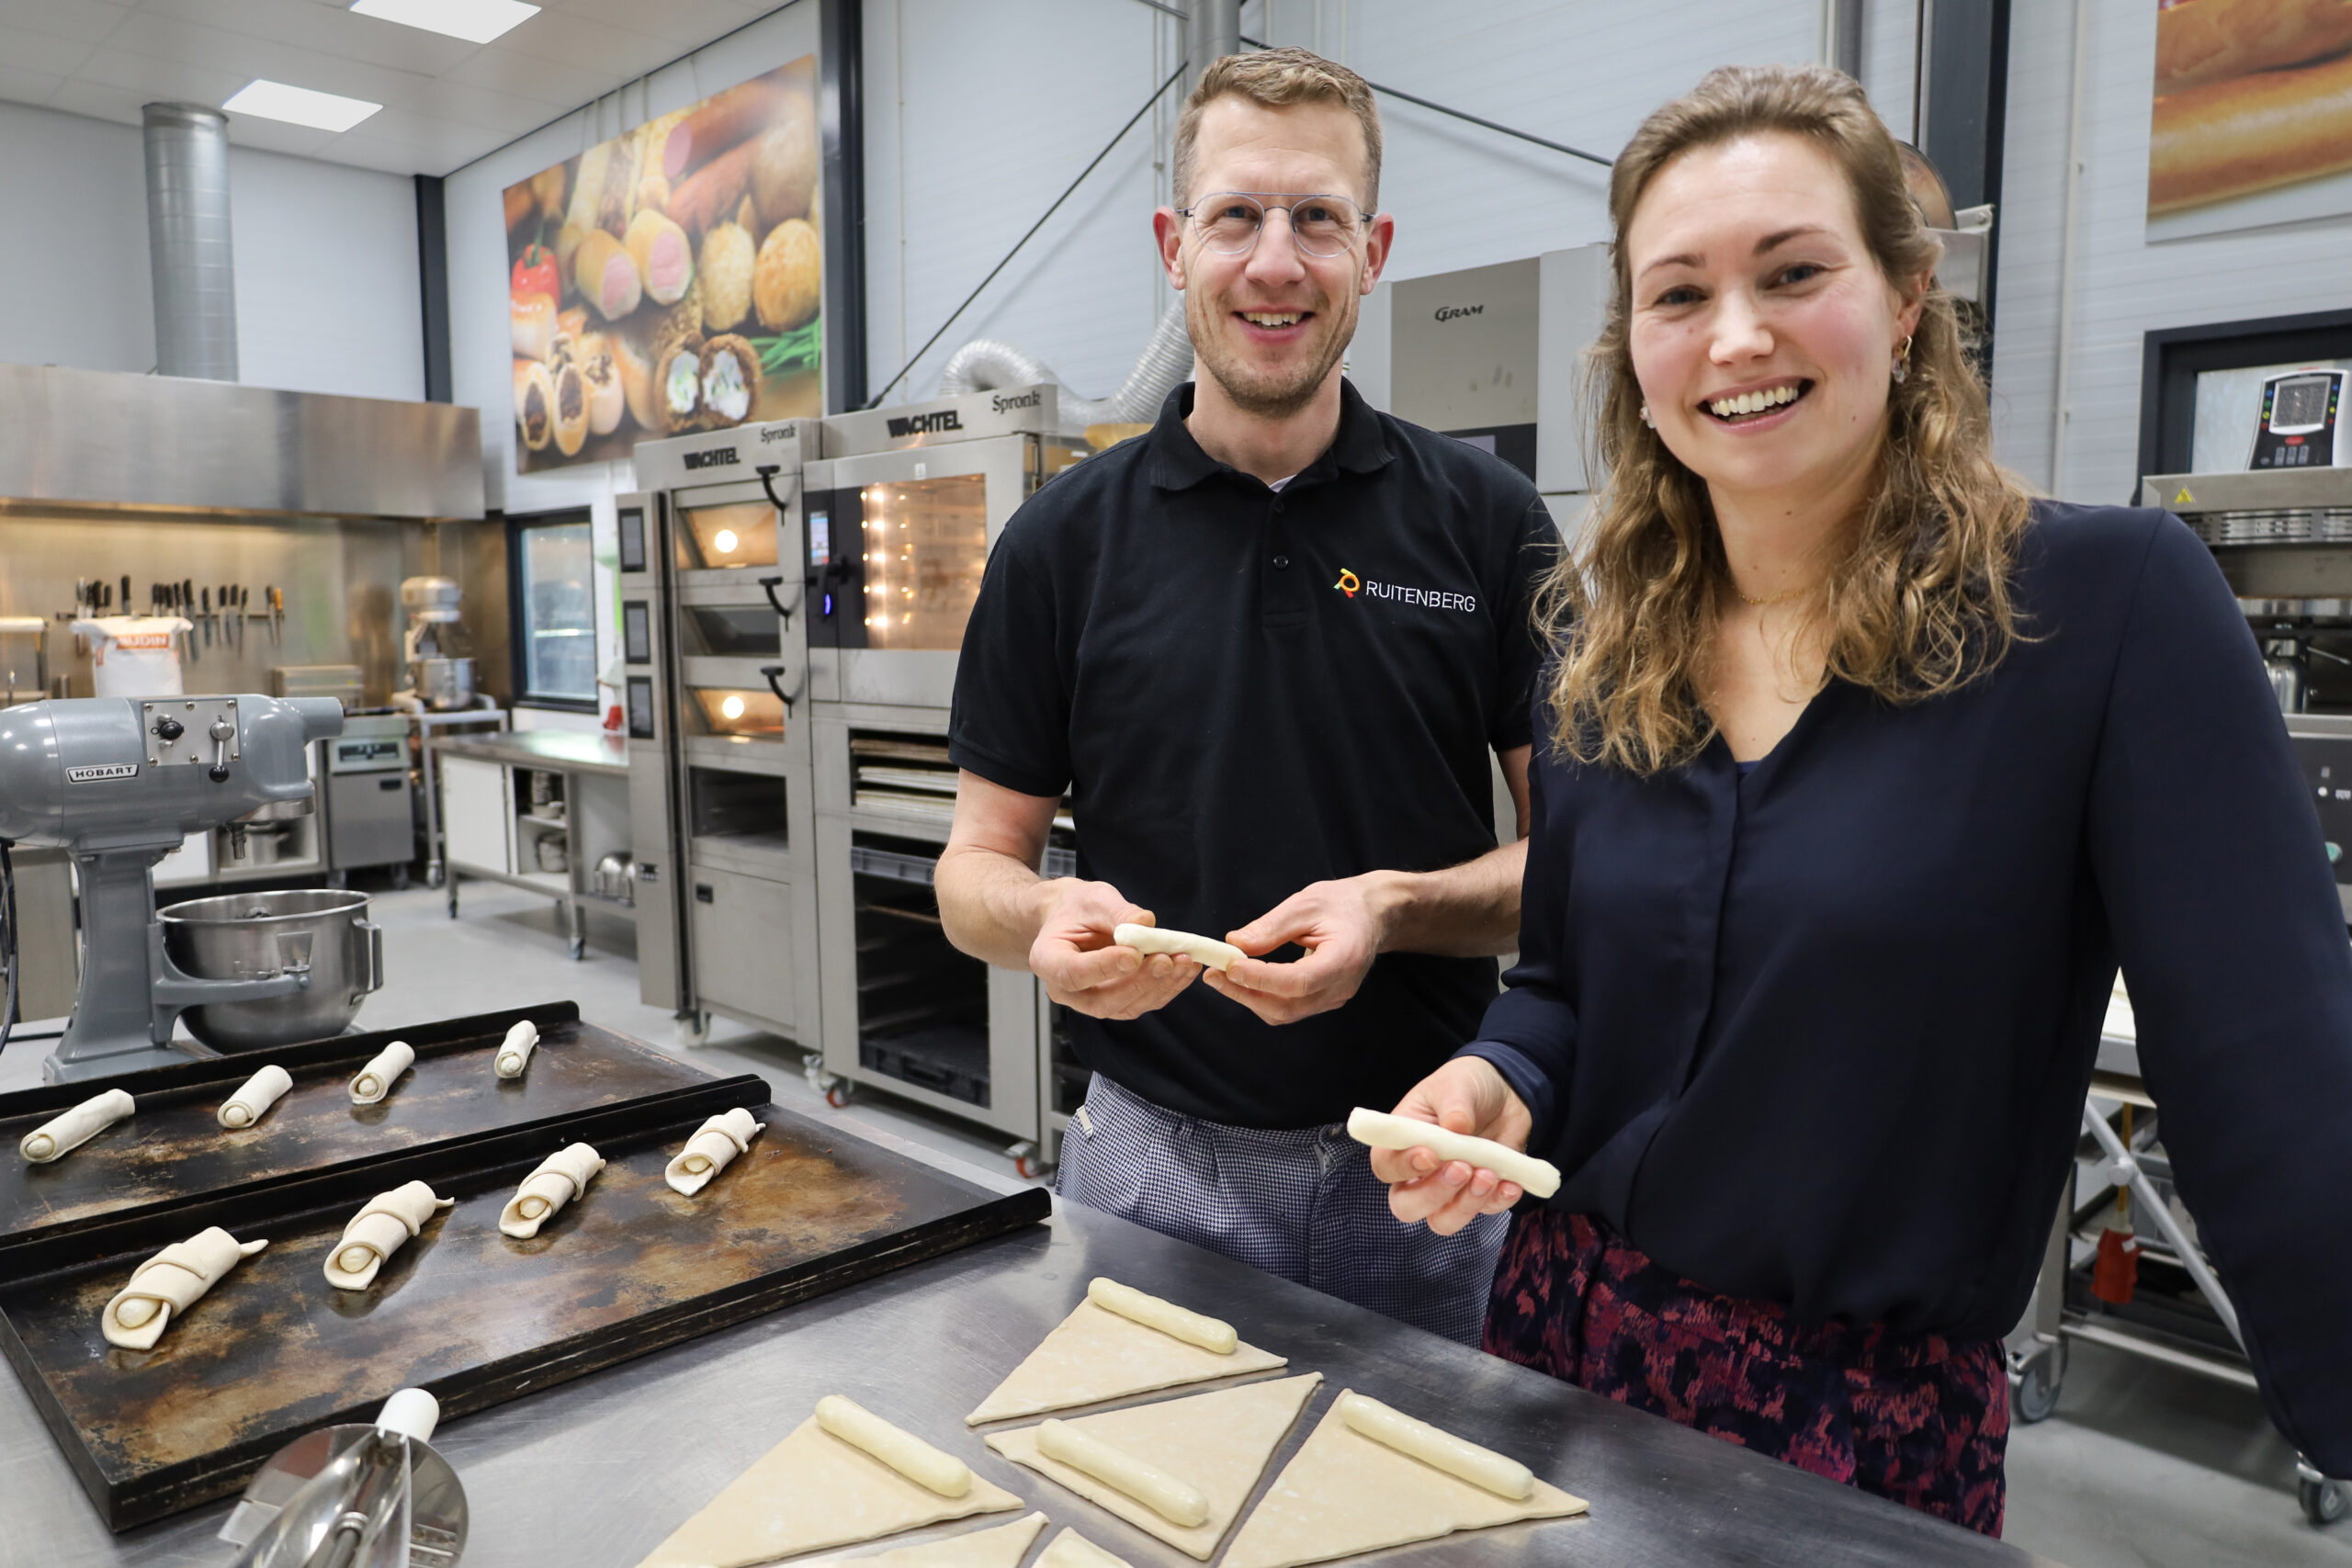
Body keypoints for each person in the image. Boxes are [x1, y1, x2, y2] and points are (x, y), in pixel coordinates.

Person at [1368, 62, 2352, 1534]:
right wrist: (1500, 1075)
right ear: (1633, 345)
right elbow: (1565, 982)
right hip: (1557, 1359)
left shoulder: (2103, 611)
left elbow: (2276, 1089)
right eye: (1678, 293)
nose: (1738, 335)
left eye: (1793, 271)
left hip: (1858, 1436)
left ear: (1904, 302)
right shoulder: (1596, 637)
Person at [936, 47, 1555, 1345]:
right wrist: (1045, 912)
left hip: (1428, 1164)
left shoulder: (1491, 526)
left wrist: (1393, 908)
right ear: (1175, 244)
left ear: (1373, 250)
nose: (1276, 263)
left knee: (1421, 1542)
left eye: (1317, 219)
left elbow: (1584, 863)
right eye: (1237, 217)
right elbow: (972, 872)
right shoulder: (1059, 543)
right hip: (1150, 1172)